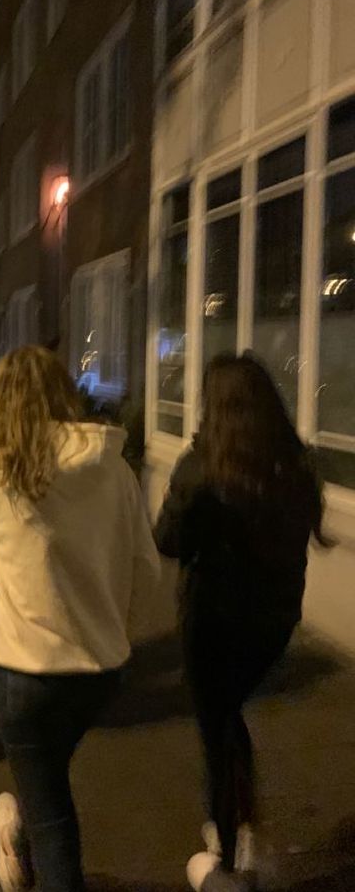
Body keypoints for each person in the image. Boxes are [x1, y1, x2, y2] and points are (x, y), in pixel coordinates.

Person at [0, 346, 161, 892]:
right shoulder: (114, 468)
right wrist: (117, 632)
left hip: (25, 672)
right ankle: (18, 841)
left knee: (51, 810)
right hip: (101, 671)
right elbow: (146, 569)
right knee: (46, 781)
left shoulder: (3, 469)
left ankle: (30, 849)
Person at [154, 353, 331, 892]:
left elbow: (167, 540)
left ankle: (228, 849)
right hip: (273, 623)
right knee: (229, 718)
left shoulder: (203, 467)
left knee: (217, 728)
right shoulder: (294, 465)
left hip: (213, 623)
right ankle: (244, 828)